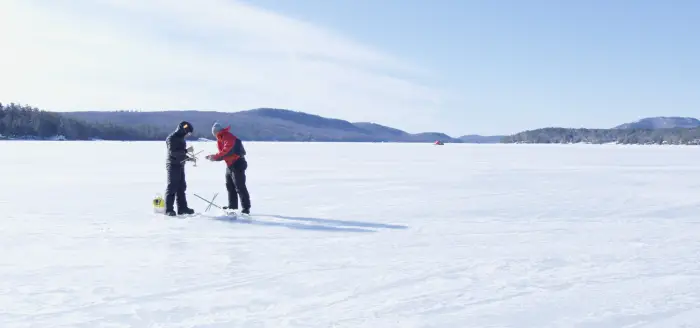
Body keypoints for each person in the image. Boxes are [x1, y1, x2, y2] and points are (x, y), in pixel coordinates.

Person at [205, 122, 251, 214]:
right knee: (230, 186)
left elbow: (227, 151)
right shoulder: (221, 138)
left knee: (240, 186)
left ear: (217, 131)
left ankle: (246, 208)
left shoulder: (227, 137)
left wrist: (215, 157)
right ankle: (232, 206)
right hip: (230, 165)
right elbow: (224, 155)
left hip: (237, 163)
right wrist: (213, 157)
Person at [164, 121, 196, 216]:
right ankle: (169, 209)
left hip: (180, 165)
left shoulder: (181, 139)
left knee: (181, 186)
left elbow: (180, 152)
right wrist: (186, 154)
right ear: (182, 129)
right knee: (172, 186)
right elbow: (173, 153)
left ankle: (182, 208)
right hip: (172, 165)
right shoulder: (171, 138)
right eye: (187, 132)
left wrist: (188, 155)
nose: (187, 134)